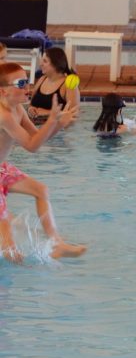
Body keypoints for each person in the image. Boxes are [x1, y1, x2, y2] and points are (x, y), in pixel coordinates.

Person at [0, 62, 86, 263]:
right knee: (10, 248)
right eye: (21, 83)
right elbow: (31, 146)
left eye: (27, 81)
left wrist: (57, 125)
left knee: (41, 191)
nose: (27, 87)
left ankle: (57, 243)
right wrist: (52, 121)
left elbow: (36, 137)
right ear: (3, 91)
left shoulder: (18, 109)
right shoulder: (4, 116)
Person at [28, 47, 80, 120]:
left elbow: (74, 113)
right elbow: (31, 104)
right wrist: (31, 109)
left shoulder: (68, 85)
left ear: (56, 64)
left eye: (45, 61)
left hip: (59, 129)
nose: (40, 64)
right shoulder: (42, 79)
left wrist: (48, 112)